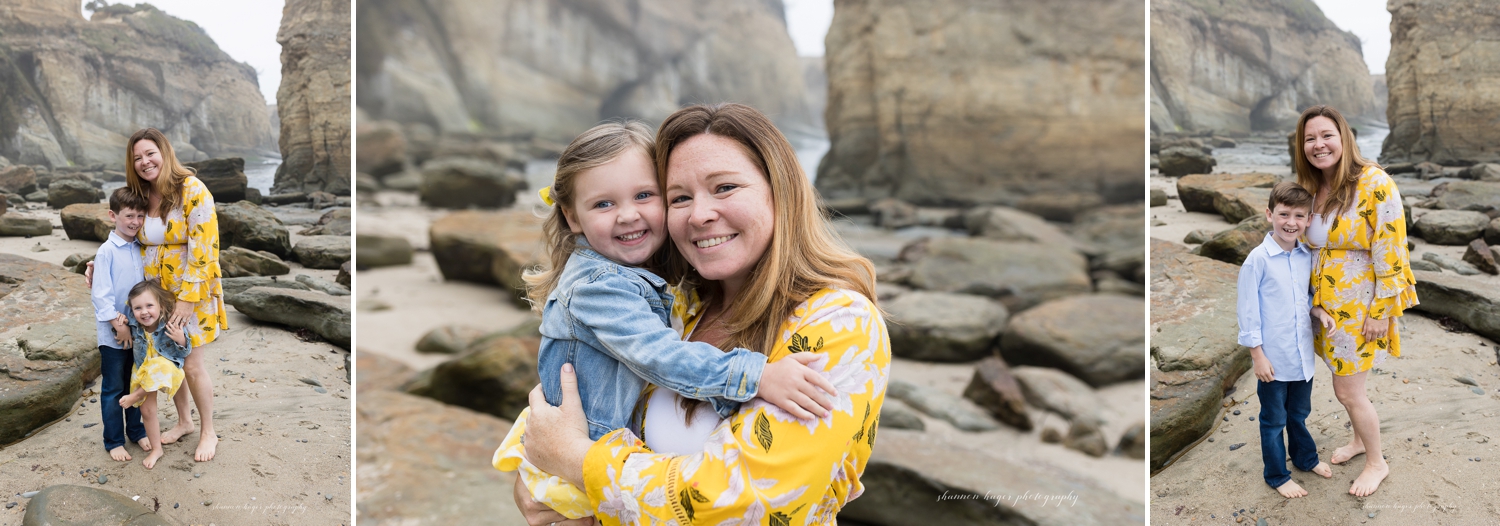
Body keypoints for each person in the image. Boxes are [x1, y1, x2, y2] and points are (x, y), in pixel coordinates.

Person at [519, 103, 890, 525]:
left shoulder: (839, 322)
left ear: (781, 189)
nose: (700, 215)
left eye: (725, 187)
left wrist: (575, 461)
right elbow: (558, 410)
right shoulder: (680, 306)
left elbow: (745, 504)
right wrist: (533, 481)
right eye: (679, 197)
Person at [1294, 105, 1419, 497]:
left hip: (1361, 306)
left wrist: (1382, 311)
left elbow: (1392, 250)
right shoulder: (1313, 186)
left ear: (1344, 137)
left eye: (1326, 135)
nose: (1319, 145)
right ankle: (1359, 440)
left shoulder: (1374, 182)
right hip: (1325, 306)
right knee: (1342, 380)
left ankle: (1376, 462)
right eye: (1310, 138)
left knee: (1348, 390)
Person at [89, 128, 228, 462]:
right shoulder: (142, 195)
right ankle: (185, 421)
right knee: (167, 358)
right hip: (153, 296)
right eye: (137, 158)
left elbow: (205, 246)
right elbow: (129, 240)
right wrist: (96, 265)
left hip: (189, 292)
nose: (144, 162)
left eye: (150, 153)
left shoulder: (192, 189)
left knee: (191, 363)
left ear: (164, 152)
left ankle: (209, 431)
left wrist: (187, 298)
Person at [1237, 182, 1334, 498]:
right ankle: (1277, 475)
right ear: (1269, 214)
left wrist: (1317, 311)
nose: (1290, 222)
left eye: (1298, 216)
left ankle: (1305, 459)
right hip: (1273, 360)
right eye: (1283, 214)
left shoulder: (1306, 254)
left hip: (1302, 357)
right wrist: (1257, 356)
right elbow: (1248, 311)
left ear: (1308, 220)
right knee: (1274, 420)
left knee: (1299, 414)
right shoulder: (1258, 260)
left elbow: (1301, 298)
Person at [91, 187, 152, 462]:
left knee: (136, 383)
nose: (135, 222)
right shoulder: (106, 252)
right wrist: (119, 324)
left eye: (141, 216)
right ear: (113, 215)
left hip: (139, 332)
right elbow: (101, 295)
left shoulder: (140, 246)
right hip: (114, 334)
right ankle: (114, 440)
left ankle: (136, 430)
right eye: (129, 216)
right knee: (114, 387)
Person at [117, 280, 190, 470]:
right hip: (143, 371)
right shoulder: (134, 324)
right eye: (138, 308)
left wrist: (180, 339)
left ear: (161, 305)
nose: (144, 312)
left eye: (149, 305)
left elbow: (184, 352)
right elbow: (120, 325)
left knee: (159, 364)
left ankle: (137, 395)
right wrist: (119, 320)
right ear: (132, 311)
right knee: (147, 411)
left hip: (167, 370)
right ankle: (156, 449)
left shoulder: (170, 324)